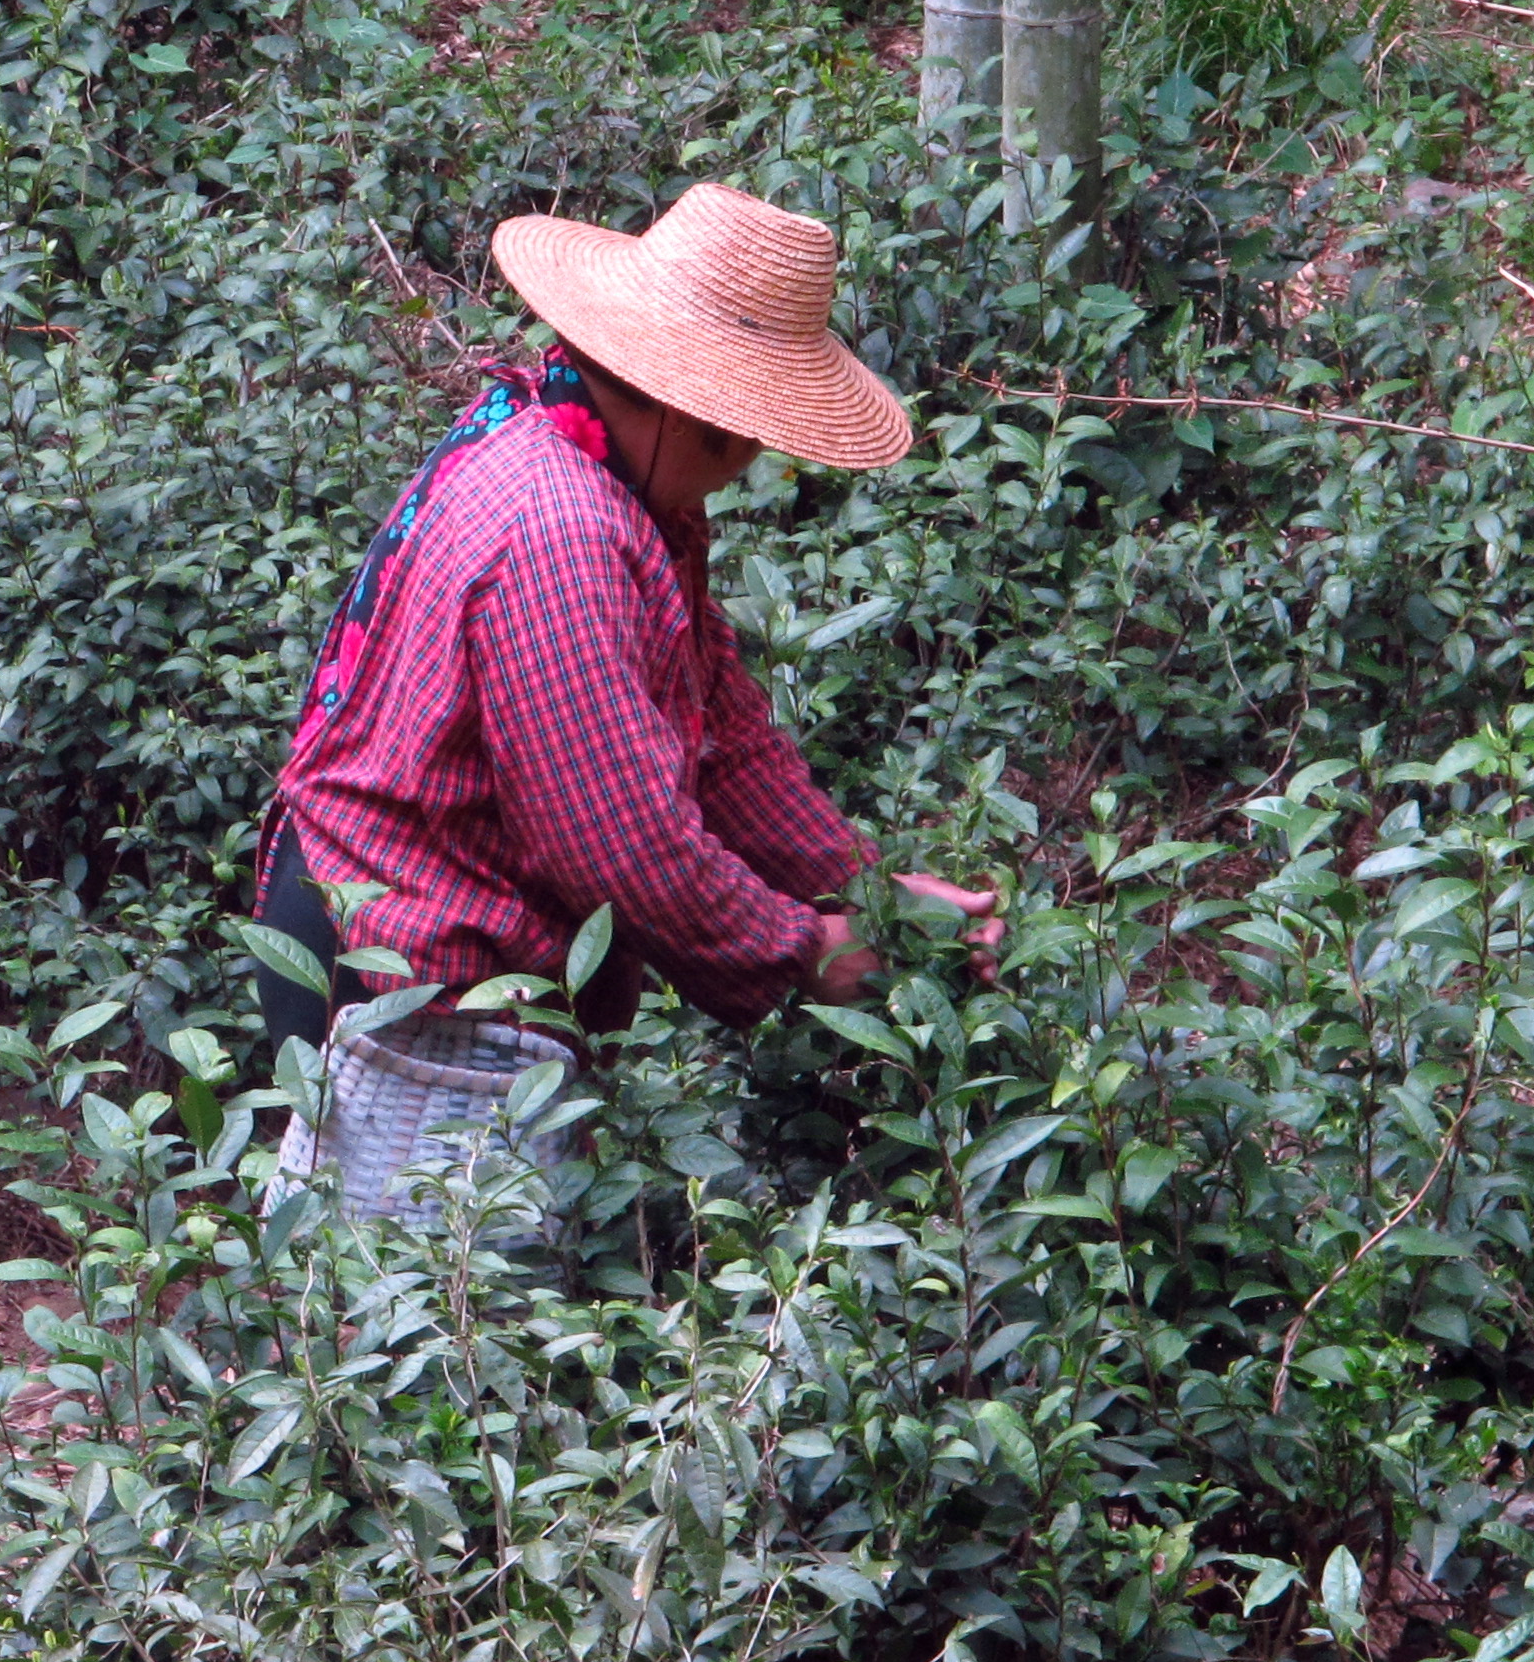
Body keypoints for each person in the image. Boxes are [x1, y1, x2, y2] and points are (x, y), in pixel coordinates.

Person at [255, 183, 1000, 1055]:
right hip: (397, 973)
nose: (756, 456)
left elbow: (721, 738)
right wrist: (802, 952)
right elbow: (619, 848)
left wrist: (872, 894)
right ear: (696, 414)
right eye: (757, 427)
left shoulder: (606, 468)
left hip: (434, 944)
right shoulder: (564, 532)